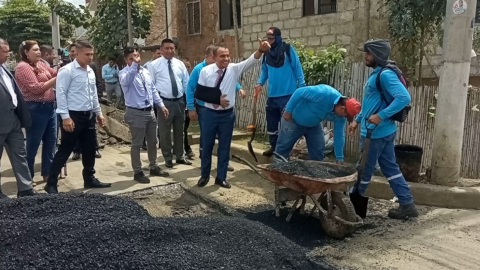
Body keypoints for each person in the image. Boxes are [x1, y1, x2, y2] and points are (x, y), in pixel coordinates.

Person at [348, 38, 418, 219]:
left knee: (364, 170)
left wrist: (380, 116)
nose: (365, 56)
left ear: (377, 55)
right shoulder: (379, 73)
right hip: (384, 132)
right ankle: (407, 204)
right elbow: (370, 103)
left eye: (368, 53)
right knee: (391, 169)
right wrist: (357, 120)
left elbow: (404, 98)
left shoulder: (385, 75)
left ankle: (353, 210)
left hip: (374, 134)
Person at [189, 39, 270, 189]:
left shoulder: (233, 69)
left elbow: (251, 61)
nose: (226, 59)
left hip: (227, 116)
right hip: (209, 114)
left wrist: (261, 50)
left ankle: (221, 177)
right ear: (214, 57)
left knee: (225, 146)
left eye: (227, 55)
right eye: (222, 56)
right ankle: (204, 176)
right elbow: (200, 93)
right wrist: (216, 99)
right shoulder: (205, 71)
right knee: (207, 146)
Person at [44, 40, 110, 194]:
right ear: (77, 53)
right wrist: (65, 117)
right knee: (66, 149)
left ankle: (89, 178)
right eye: (87, 54)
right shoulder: (67, 71)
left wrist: (98, 113)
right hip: (73, 116)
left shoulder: (90, 71)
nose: (90, 57)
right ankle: (51, 183)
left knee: (89, 148)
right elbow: (60, 94)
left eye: (92, 54)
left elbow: (93, 94)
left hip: (88, 115)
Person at [186, 44, 244, 171]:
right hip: (204, 109)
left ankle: (224, 163)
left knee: (224, 138)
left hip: (224, 111)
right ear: (211, 57)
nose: (223, 60)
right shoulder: (199, 69)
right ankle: (204, 161)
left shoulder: (225, 69)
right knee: (207, 137)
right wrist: (191, 107)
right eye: (219, 57)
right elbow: (190, 88)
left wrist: (239, 88)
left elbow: (231, 80)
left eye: (226, 56)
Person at [119, 47, 170, 183]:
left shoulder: (145, 72)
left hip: (150, 111)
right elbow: (128, 80)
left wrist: (161, 105)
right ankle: (138, 172)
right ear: (126, 60)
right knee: (137, 143)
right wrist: (134, 65)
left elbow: (152, 90)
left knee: (153, 141)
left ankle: (153, 166)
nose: (136, 59)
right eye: (131, 58)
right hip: (136, 113)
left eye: (137, 56)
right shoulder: (124, 74)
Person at [274, 84, 361, 163]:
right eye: (346, 116)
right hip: (293, 120)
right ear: (342, 109)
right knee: (283, 149)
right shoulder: (324, 93)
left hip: (314, 125)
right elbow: (299, 92)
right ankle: (276, 171)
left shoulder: (340, 117)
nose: (345, 118)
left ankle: (314, 176)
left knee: (318, 151)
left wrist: (339, 158)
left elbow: (339, 135)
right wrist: (288, 111)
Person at [255, 27, 306, 157]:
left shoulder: (287, 50)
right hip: (272, 95)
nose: (269, 41)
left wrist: (302, 87)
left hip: (288, 95)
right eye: (268, 38)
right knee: (272, 124)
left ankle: (285, 152)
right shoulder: (266, 53)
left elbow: (297, 67)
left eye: (272, 38)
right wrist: (260, 83)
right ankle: (273, 147)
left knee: (286, 125)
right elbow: (265, 71)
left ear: (277, 38)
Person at [14, 40, 58, 184]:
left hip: (50, 107)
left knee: (51, 142)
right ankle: (28, 177)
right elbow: (37, 88)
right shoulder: (23, 67)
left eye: (39, 49)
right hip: (35, 108)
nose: (39, 52)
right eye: (35, 50)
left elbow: (54, 73)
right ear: (26, 52)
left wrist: (63, 71)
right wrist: (57, 79)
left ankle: (47, 173)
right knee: (33, 144)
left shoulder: (41, 64)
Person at [0, 38, 36, 198]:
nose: (8, 54)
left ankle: (26, 189)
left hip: (13, 121)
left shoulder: (4, 68)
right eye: (5, 51)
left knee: (20, 155)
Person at [147, 39, 192, 168]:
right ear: (161, 50)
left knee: (180, 130)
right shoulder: (154, 65)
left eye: (172, 48)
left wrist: (187, 101)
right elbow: (152, 86)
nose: (169, 51)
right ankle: (167, 157)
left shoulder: (180, 64)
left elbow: (186, 82)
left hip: (179, 101)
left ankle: (180, 156)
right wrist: (158, 104)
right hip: (164, 102)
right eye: (166, 48)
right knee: (164, 131)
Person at [141, 45, 162, 150]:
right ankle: (145, 142)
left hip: (162, 98)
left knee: (161, 121)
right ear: (153, 53)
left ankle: (160, 141)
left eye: (161, 54)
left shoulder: (164, 66)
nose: (160, 56)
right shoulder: (146, 67)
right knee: (149, 121)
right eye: (158, 53)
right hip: (151, 99)